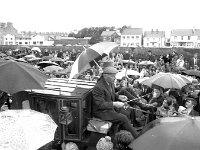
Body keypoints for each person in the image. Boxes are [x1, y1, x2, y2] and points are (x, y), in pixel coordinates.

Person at [92, 64, 138, 138]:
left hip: (109, 109)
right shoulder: (98, 87)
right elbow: (100, 105)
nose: (115, 78)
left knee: (127, 112)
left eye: (115, 76)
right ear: (105, 76)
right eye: (112, 76)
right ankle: (137, 137)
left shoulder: (110, 82)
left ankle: (122, 136)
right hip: (102, 112)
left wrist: (119, 97)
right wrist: (114, 104)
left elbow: (111, 94)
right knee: (123, 118)